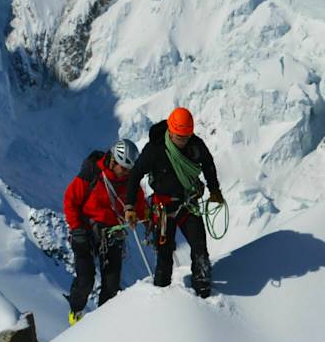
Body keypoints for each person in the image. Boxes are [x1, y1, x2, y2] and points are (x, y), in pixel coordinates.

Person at [124, 107, 223, 298]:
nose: (183, 141)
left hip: (188, 204)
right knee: (164, 255)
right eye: (179, 137)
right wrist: (130, 206)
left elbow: (208, 164)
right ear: (170, 131)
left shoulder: (195, 145)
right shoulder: (155, 149)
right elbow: (135, 174)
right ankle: (163, 296)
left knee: (200, 248)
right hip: (163, 208)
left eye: (186, 137)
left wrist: (215, 189)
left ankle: (204, 292)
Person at [63, 139, 147, 325]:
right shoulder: (92, 173)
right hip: (84, 231)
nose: (126, 173)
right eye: (123, 168)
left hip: (111, 234)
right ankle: (76, 310)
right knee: (85, 279)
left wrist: (152, 215)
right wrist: (76, 228)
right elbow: (70, 200)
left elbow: (141, 209)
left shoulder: (130, 182)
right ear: (113, 161)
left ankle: (102, 325)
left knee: (111, 285)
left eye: (130, 170)